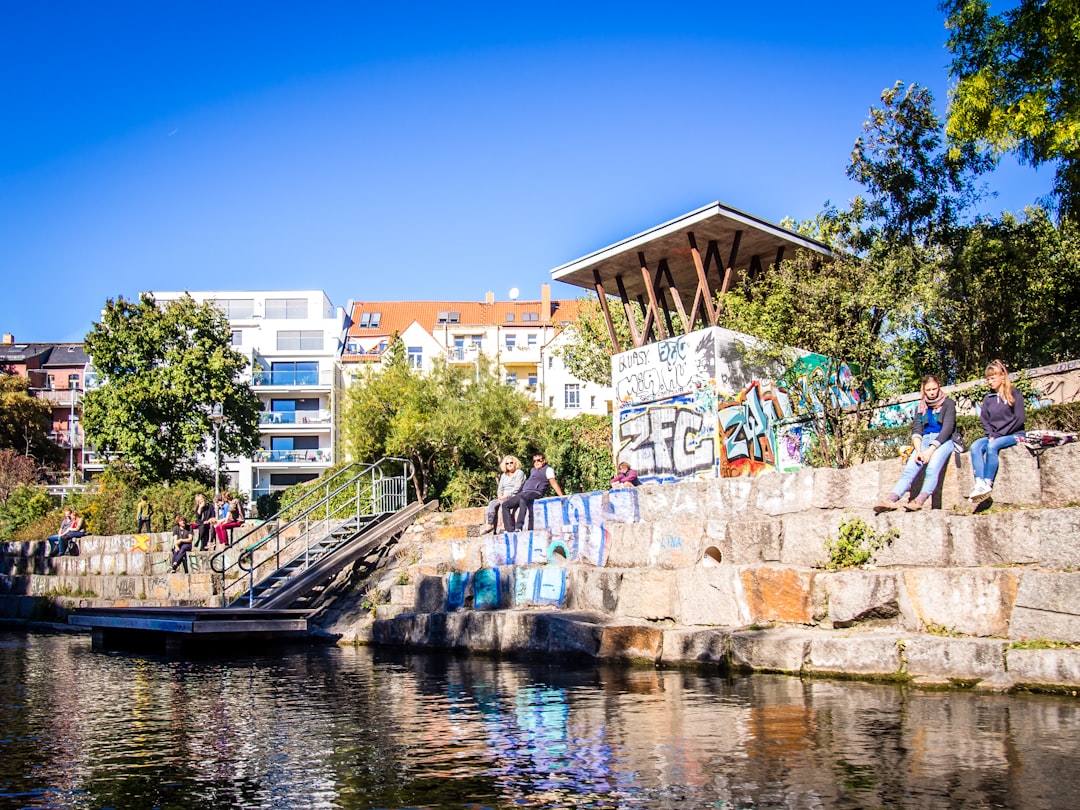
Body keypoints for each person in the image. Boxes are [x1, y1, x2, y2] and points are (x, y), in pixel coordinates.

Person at [874, 375, 957, 512]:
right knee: (909, 469)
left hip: (944, 441)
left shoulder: (948, 404)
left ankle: (920, 500)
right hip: (924, 440)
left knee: (932, 468)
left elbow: (948, 429)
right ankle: (891, 500)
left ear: (939, 387)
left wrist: (930, 451)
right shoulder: (921, 407)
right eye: (928, 390)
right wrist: (918, 451)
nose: (932, 392)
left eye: (934, 389)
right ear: (924, 390)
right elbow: (917, 430)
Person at [969, 359, 1026, 503]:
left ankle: (988, 483)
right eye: (988, 379)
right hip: (994, 436)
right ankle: (979, 483)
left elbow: (1019, 418)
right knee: (975, 446)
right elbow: (985, 420)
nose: (990, 382)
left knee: (992, 446)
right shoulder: (988, 399)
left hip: (1015, 434)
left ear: (1002, 376)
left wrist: (999, 435)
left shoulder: (1014, 393)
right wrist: (990, 435)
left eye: (992, 378)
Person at [501, 452, 564, 532]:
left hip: (536, 492)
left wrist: (562, 497)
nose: (536, 462)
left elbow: (554, 484)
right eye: (534, 461)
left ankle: (519, 526)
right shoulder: (532, 470)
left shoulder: (548, 470)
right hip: (525, 492)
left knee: (523, 499)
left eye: (538, 460)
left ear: (543, 461)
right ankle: (509, 529)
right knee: (505, 505)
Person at [482, 455, 525, 534]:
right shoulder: (504, 475)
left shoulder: (519, 473)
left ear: (515, 463)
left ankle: (503, 526)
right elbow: (500, 488)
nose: (509, 464)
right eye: (507, 463)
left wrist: (506, 496)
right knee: (492, 503)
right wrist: (500, 495)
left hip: (514, 495)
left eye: (511, 462)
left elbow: (517, 488)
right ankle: (490, 524)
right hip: (503, 496)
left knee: (504, 504)